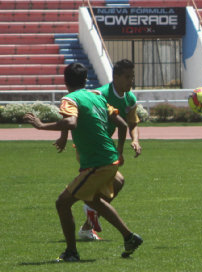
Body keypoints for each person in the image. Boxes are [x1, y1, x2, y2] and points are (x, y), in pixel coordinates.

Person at [24, 63, 142, 262]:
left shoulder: (69, 99)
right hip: (108, 159)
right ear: (85, 80)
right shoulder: (96, 96)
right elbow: (122, 125)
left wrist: (41, 125)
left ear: (65, 81)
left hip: (97, 162)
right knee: (93, 200)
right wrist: (119, 152)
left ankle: (71, 252)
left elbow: (71, 122)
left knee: (62, 203)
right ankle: (129, 237)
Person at [55, 59, 142, 241]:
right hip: (92, 148)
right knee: (110, 184)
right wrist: (63, 137)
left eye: (132, 77)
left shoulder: (130, 98)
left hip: (105, 148)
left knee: (116, 183)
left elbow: (131, 124)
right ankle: (92, 212)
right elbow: (71, 116)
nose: (130, 81)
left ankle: (88, 226)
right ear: (116, 77)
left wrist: (133, 141)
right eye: (127, 77)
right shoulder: (100, 94)